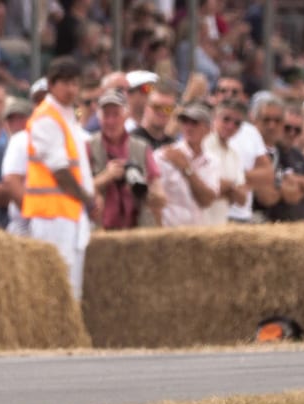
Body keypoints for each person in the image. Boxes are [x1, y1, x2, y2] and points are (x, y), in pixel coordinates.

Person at [23, 56, 96, 298]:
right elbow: (60, 171)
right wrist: (88, 199)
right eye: (65, 82)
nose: (71, 89)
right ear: (51, 84)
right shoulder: (46, 116)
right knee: (57, 288)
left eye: (75, 83)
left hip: (67, 212)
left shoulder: (65, 115)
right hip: (52, 216)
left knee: (71, 288)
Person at [89, 90, 164, 230]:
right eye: (106, 115)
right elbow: (77, 190)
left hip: (136, 232)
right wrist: (106, 177)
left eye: (116, 114)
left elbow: (160, 197)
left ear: (126, 116)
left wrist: (141, 188)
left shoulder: (141, 147)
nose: (111, 121)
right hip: (101, 233)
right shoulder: (89, 146)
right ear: (99, 118)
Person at [156, 103, 221, 227]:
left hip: (196, 233)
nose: (189, 127)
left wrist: (187, 169)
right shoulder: (164, 155)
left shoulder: (213, 161)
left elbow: (207, 200)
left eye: (195, 123)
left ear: (208, 129)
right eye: (185, 122)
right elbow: (155, 199)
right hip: (168, 232)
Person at [0, 96, 32, 229]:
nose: (16, 123)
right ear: (5, 124)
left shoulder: (42, 150)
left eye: (21, 118)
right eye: (11, 119)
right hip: (5, 225)